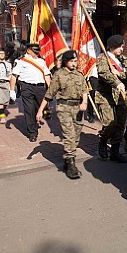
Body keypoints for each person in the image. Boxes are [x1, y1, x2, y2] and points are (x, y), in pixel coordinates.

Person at [36, 50, 88, 179]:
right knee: (69, 135)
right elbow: (49, 94)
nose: (74, 64)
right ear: (65, 61)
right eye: (71, 61)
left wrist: (85, 102)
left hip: (77, 108)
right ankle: (71, 164)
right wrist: (40, 110)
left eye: (75, 61)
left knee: (76, 136)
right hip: (64, 107)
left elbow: (84, 90)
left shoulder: (79, 74)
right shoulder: (59, 75)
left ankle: (67, 157)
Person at [95, 35, 127, 163]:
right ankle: (103, 141)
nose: (122, 49)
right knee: (110, 122)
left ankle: (115, 151)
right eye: (119, 46)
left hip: (120, 96)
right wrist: (116, 81)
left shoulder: (123, 60)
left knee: (121, 124)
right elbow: (104, 73)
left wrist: (120, 74)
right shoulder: (103, 58)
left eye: (122, 46)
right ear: (112, 46)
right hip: (106, 95)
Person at [9, 43, 51, 142]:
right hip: (26, 87)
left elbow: (47, 75)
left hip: (40, 88)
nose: (37, 53)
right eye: (34, 51)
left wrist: (50, 88)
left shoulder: (41, 61)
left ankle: (35, 121)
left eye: (37, 51)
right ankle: (32, 133)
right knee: (29, 109)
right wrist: (12, 90)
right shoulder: (20, 61)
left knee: (38, 108)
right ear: (28, 50)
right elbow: (14, 76)